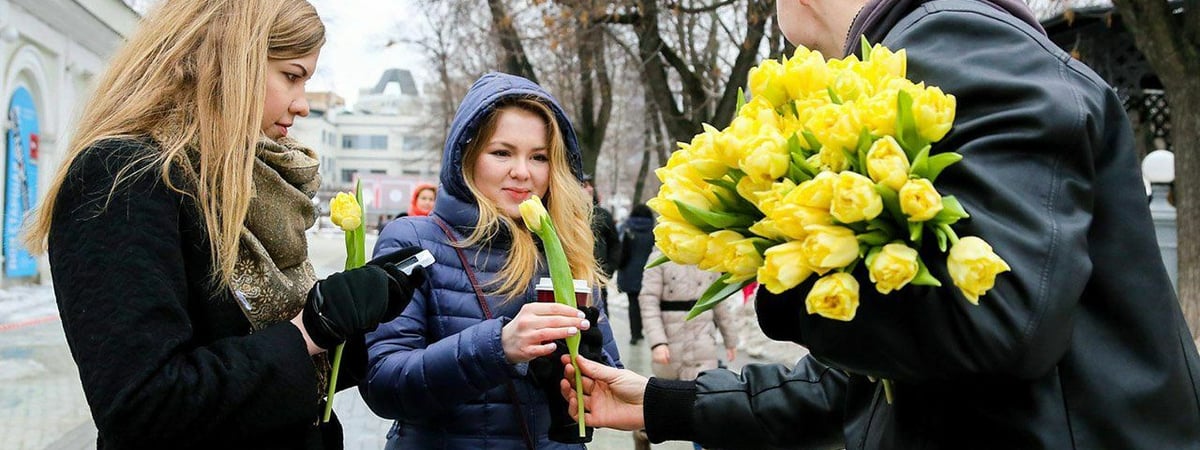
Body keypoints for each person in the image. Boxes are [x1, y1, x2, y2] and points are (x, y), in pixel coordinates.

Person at [561, 0, 1200, 448]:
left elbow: (999, 322)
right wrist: (664, 402)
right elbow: (884, 375)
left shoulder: (958, 40)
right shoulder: (929, 49)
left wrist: (792, 262)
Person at [21, 1, 426, 448]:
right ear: (230, 63)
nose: (302, 105)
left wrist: (359, 311)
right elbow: (142, 406)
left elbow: (263, 357)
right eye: (292, 76)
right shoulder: (122, 178)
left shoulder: (245, 183)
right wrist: (310, 330)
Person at [363, 72, 623, 449]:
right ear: (466, 156)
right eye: (502, 153)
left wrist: (585, 365)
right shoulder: (412, 241)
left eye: (539, 157)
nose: (522, 172)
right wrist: (498, 346)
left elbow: (610, 384)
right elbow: (384, 384)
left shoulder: (565, 248)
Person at [635, 252, 740, 450]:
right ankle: (642, 431)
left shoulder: (708, 256)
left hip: (703, 343)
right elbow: (648, 302)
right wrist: (658, 343)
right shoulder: (659, 258)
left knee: (705, 404)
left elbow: (719, 301)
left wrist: (730, 339)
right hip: (672, 344)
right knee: (665, 404)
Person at [615, 204, 656, 344]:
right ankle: (646, 330)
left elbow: (623, 254)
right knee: (648, 303)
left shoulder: (628, 231)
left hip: (631, 273)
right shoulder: (653, 232)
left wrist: (620, 267)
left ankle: (635, 333)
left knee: (633, 303)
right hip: (649, 272)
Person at [582, 174, 620, 316]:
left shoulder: (603, 215)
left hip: (598, 279)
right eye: (584, 185)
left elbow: (615, 245)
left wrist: (607, 271)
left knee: (601, 318)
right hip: (575, 280)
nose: (590, 189)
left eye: (590, 185)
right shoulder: (564, 215)